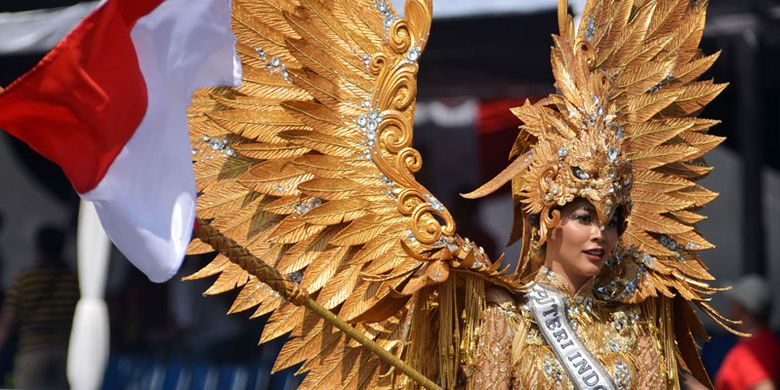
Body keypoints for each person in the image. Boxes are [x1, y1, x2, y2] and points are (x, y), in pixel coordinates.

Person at [181, 0, 729, 388]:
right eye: (585, 216)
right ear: (550, 218)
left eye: (612, 220)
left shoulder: (640, 315)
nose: (601, 234)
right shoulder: (500, 318)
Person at [0, 225, 79, 390]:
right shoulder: (74, 281)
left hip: (32, 351)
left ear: (38, 247)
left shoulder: (24, 280)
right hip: (66, 352)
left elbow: (8, 320)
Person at [714, 275, 780, 390]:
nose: (730, 306)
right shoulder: (767, 341)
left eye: (733, 302)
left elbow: (765, 387)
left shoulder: (751, 350)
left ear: (740, 307)